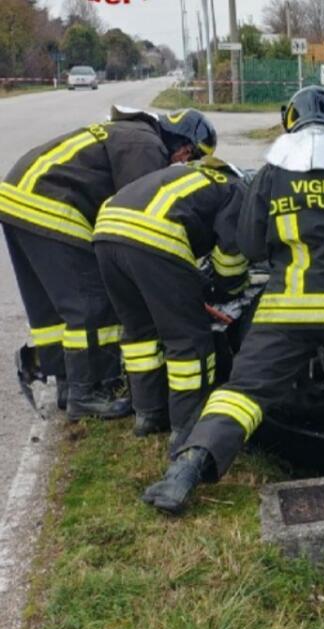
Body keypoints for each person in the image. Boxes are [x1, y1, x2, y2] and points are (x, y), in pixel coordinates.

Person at [142, 86, 324, 515]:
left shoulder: (271, 177)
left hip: (284, 312)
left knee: (243, 392)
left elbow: (250, 245)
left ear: (289, 121)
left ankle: (189, 467)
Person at [0, 107, 218, 420]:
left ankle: (67, 383)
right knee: (91, 300)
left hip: (19, 196)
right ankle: (87, 394)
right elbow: (140, 223)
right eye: (189, 153)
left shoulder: (132, 134)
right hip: (50, 200)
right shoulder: (146, 146)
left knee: (53, 307)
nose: (185, 162)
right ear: (180, 140)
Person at [93, 157, 249, 443]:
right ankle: (188, 427)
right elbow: (230, 254)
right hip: (154, 237)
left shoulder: (184, 176)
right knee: (189, 340)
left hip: (106, 234)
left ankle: (149, 415)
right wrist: (230, 289)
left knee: (140, 331)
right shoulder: (235, 188)